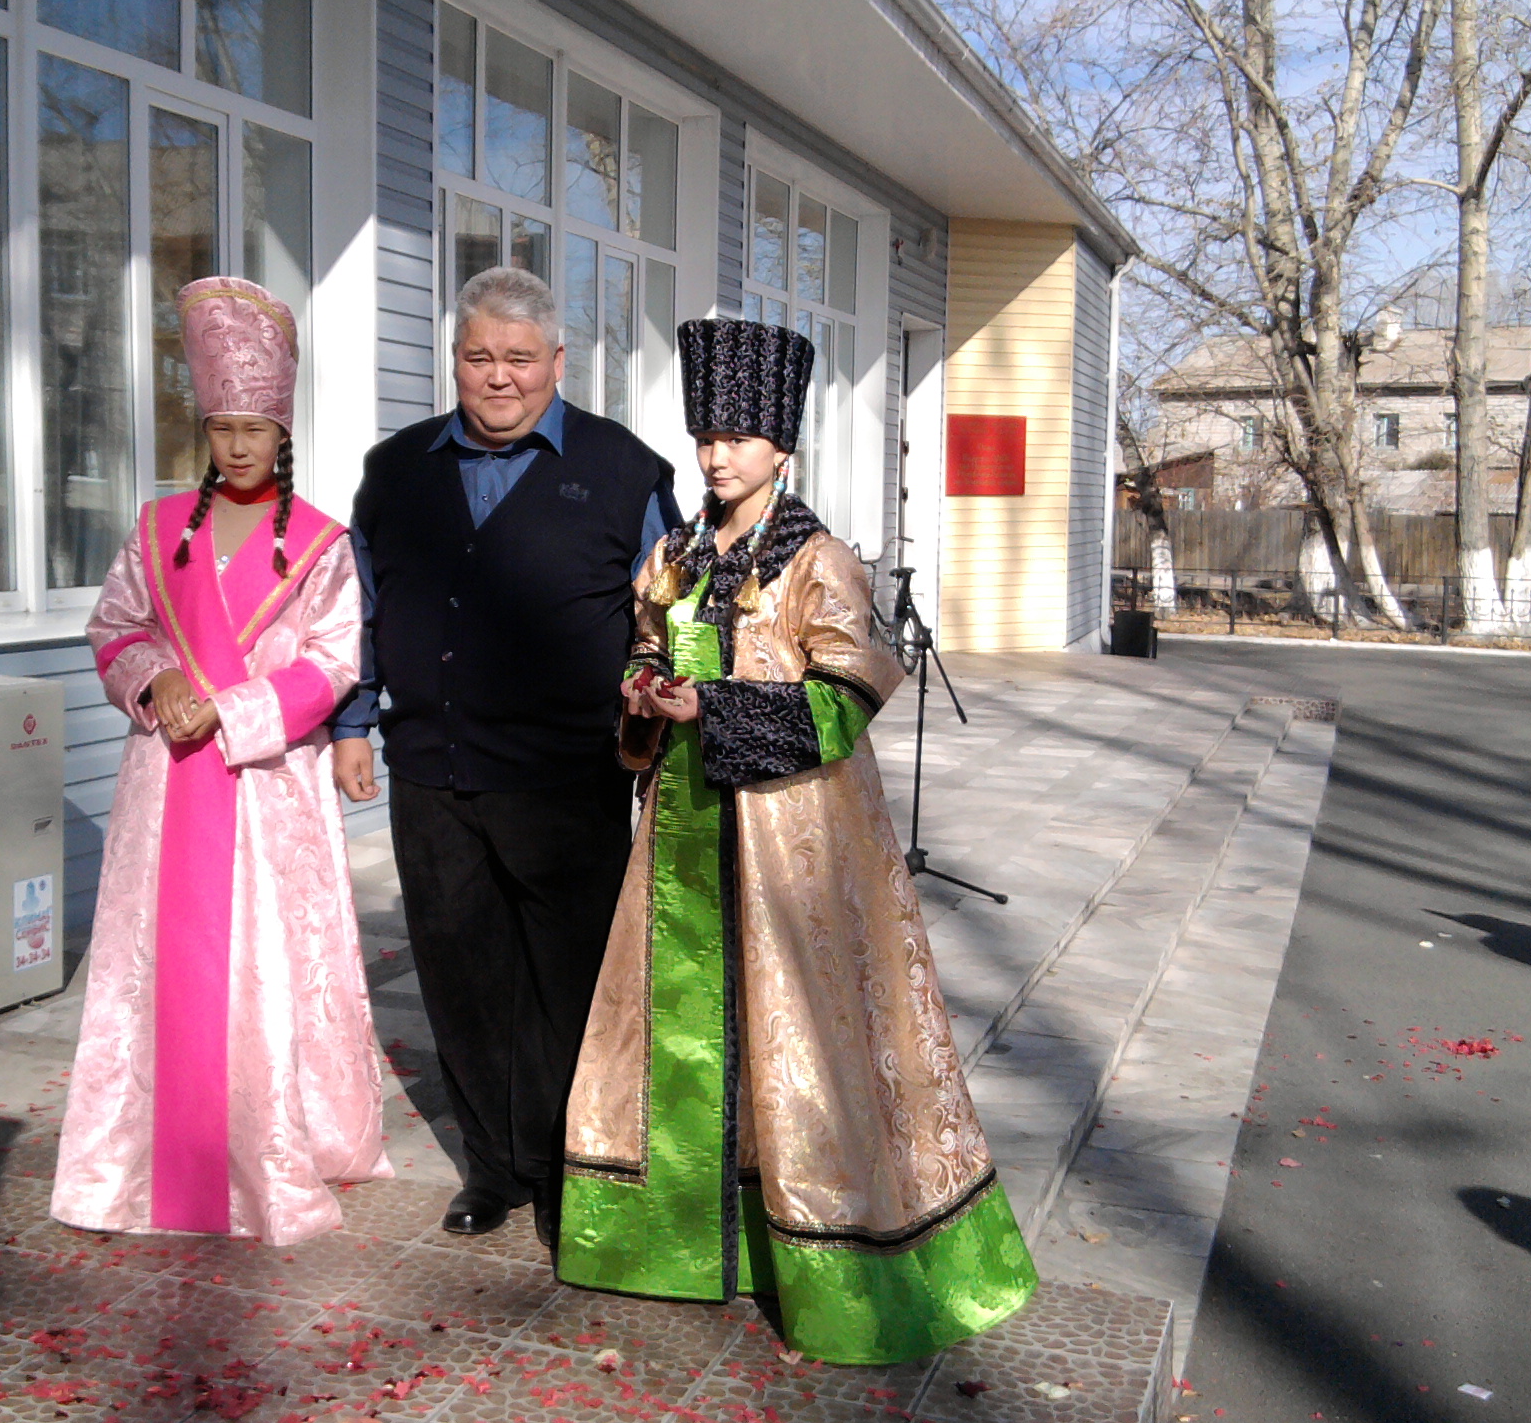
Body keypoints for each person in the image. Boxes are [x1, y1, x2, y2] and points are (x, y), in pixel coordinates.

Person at [558, 319, 1037, 1365]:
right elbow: (644, 645)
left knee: (801, 1034)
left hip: (795, 841)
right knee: (686, 1022)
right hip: (683, 833)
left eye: (736, 437)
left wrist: (716, 708)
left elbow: (847, 698)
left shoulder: (820, 563)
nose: (715, 455)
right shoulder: (674, 555)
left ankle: (826, 1250)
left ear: (782, 445)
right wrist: (643, 691)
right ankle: (678, 1238)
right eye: (705, 436)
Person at [332, 267, 680, 1245]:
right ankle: (494, 1168)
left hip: (567, 779)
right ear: (454, 360)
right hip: (430, 771)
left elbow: (667, 621)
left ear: (557, 363)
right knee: (460, 978)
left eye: (519, 359)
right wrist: (352, 723)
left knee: (568, 985)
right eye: (479, 356)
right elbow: (359, 606)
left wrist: (659, 722)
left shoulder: (624, 470)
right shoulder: (395, 470)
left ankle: (571, 1169)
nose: (498, 377)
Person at [52, 276, 390, 1245]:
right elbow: (115, 627)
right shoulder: (157, 531)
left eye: (256, 429)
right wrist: (157, 679)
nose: (239, 446)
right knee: (160, 964)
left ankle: (271, 1142)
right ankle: (149, 1157)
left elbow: (334, 660)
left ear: (283, 432)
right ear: (203, 430)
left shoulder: (321, 543)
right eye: (222, 429)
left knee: (267, 964)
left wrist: (233, 708)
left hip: (266, 788)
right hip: (165, 784)